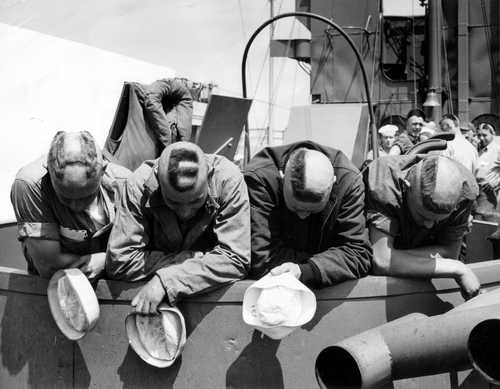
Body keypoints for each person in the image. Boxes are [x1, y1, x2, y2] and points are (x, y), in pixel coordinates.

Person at [106, 142, 250, 313]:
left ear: (209, 175)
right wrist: (189, 258)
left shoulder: (227, 181)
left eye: (196, 200)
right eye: (173, 202)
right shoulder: (139, 186)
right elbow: (120, 261)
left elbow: (235, 258)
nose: (185, 213)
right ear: (158, 179)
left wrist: (168, 280)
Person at [244, 141, 372, 287]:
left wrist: (306, 270)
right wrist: (330, 261)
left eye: (312, 211)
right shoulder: (259, 179)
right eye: (295, 208)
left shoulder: (348, 182)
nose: (302, 216)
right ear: (282, 178)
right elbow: (261, 257)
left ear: (333, 185)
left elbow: (357, 253)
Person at [10, 131, 131, 279]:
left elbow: (144, 251)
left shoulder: (126, 184)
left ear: (103, 171)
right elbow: (49, 266)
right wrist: (115, 260)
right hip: (56, 288)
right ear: (49, 171)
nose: (76, 206)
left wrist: (107, 260)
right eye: (66, 197)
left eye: (86, 197)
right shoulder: (30, 185)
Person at [365, 154, 481, 299]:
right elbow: (381, 261)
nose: (429, 225)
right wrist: (457, 268)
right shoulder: (385, 181)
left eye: (438, 221)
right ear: (406, 187)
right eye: (423, 216)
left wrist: (395, 257)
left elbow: (450, 253)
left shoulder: (465, 191)